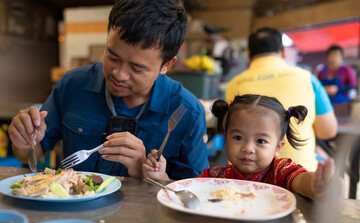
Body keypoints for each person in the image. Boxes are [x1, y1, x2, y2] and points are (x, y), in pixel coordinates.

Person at [8, 0, 209, 179]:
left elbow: (194, 195)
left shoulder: (187, 112)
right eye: (112, 57)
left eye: (137, 68)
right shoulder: (73, 85)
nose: (119, 74)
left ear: (167, 65)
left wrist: (147, 173)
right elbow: (29, 154)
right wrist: (23, 140)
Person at [143, 94, 336, 200]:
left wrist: (318, 185)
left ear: (278, 147)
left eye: (260, 141)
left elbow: (302, 182)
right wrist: (162, 177)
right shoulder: (216, 176)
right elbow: (188, 195)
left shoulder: (281, 172)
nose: (248, 148)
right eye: (238, 137)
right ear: (225, 138)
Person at [225, 27, 338, 171]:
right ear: (283, 52)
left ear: (248, 55)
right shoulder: (307, 78)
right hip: (300, 177)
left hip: (243, 178)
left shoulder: (233, 84)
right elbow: (328, 131)